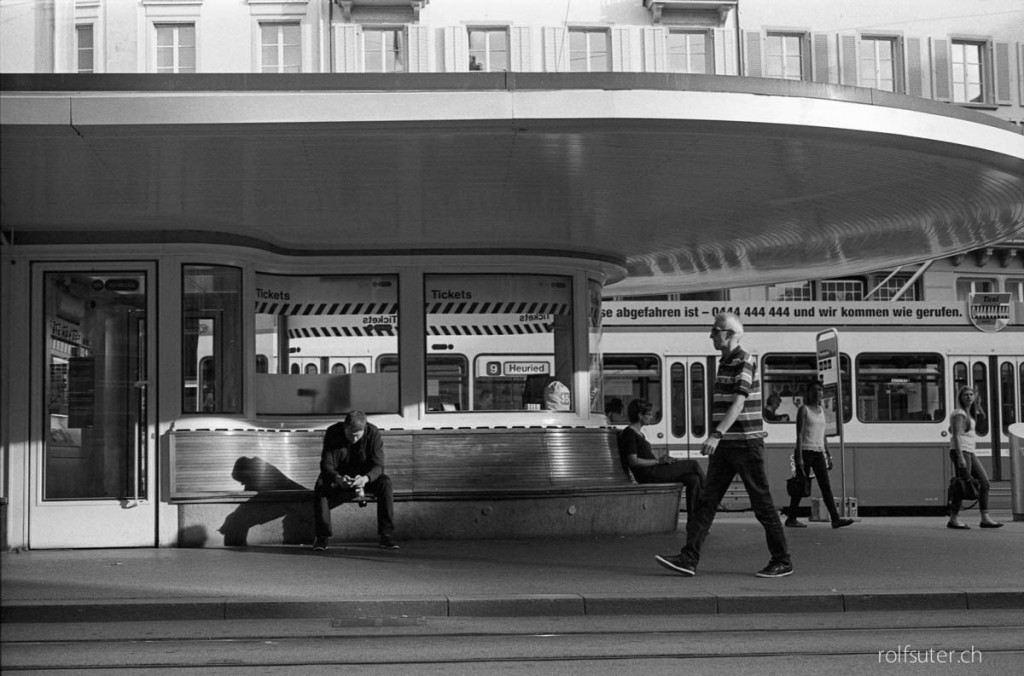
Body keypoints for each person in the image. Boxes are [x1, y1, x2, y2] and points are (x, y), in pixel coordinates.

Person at [655, 312, 793, 578]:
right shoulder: (724, 363)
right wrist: (719, 438)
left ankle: (782, 560)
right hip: (726, 447)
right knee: (707, 502)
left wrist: (715, 434)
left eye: (714, 330)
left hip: (745, 444)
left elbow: (739, 403)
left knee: (762, 504)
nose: (711, 335)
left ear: (728, 333)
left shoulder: (745, 361)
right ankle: (688, 558)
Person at [312, 410, 399, 550]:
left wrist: (366, 478)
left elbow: (379, 465)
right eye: (350, 435)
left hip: (364, 478)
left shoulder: (373, 433)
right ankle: (322, 536)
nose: (353, 439)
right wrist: (338, 478)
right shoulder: (333, 432)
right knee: (321, 484)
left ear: (364, 429)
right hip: (340, 477)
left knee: (385, 483)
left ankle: (386, 534)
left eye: (357, 436)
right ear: (344, 427)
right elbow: (326, 464)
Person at [783, 381, 854, 529]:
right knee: (801, 485)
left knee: (825, 486)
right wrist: (799, 457)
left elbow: (823, 435)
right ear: (808, 393)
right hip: (806, 451)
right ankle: (791, 518)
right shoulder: (804, 410)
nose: (818, 393)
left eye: (820, 390)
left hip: (818, 452)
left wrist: (828, 453)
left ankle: (835, 519)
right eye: (814, 390)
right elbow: (800, 434)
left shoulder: (822, 411)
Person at [618, 399, 705, 515]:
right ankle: (710, 496)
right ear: (640, 416)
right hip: (649, 474)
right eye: (648, 414)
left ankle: (694, 523)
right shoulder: (630, 433)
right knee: (693, 464)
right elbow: (633, 461)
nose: (652, 417)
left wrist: (661, 461)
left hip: (654, 470)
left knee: (693, 479)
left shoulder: (638, 433)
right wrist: (659, 461)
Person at [947, 386, 1002, 530]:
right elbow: (956, 436)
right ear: (960, 398)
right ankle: (954, 519)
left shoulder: (968, 414)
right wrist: (960, 457)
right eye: (965, 395)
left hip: (969, 452)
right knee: (962, 485)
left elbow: (952, 430)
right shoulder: (959, 413)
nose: (969, 397)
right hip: (962, 452)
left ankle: (985, 518)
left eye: (971, 394)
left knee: (984, 482)